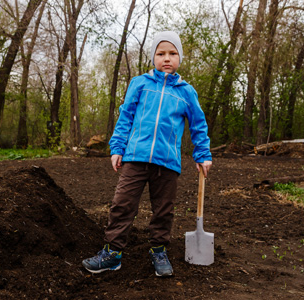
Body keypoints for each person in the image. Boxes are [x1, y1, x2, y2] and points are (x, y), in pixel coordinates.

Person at [82, 31, 212, 277]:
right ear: (153, 56)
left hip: (168, 163)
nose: (166, 58)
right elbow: (126, 116)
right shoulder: (139, 83)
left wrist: (202, 154)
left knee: (163, 210)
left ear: (179, 58)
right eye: (161, 53)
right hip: (135, 158)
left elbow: (198, 125)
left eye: (172, 53)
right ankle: (112, 254)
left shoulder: (186, 92)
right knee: (122, 205)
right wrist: (117, 147)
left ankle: (159, 251)